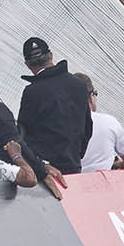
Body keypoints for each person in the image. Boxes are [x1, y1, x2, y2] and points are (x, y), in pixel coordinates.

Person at [17, 37, 93, 176]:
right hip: (73, 165)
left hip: (47, 171)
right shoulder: (78, 84)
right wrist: (75, 155)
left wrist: (40, 164)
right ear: (51, 55)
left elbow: (23, 133)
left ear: (27, 64)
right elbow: (88, 127)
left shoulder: (32, 92)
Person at [75, 72, 124, 172]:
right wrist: (119, 164)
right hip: (100, 183)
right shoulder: (110, 122)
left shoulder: (56, 123)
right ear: (91, 97)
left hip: (68, 182)